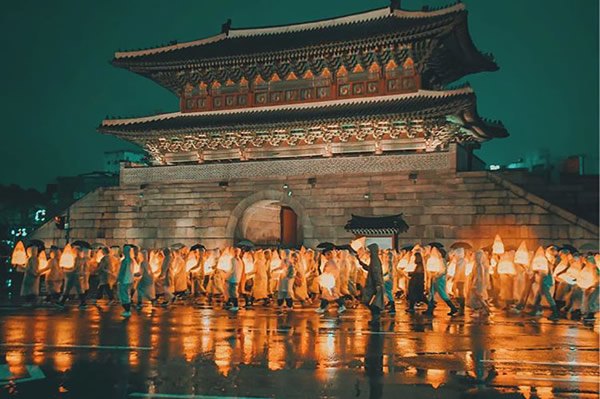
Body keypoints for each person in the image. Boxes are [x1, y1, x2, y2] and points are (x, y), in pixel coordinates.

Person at [424, 247, 458, 317]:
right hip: (435, 278)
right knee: (431, 293)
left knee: (442, 294)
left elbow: (443, 271)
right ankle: (429, 309)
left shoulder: (442, 260)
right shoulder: (439, 260)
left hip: (439, 280)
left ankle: (453, 308)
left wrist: (436, 275)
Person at [315, 249, 346, 314]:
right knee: (326, 295)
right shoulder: (331, 262)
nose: (325, 257)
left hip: (329, 282)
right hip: (329, 281)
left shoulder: (331, 262)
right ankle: (323, 307)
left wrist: (325, 279)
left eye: (326, 255)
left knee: (333, 295)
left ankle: (341, 306)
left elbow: (330, 272)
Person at [360, 243, 385, 322]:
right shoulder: (374, 259)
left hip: (373, 284)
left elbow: (375, 272)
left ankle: (376, 318)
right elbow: (371, 269)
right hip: (373, 283)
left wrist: (378, 284)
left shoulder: (375, 260)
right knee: (372, 301)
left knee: (372, 301)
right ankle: (375, 317)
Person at [117, 244, 135, 317]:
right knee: (127, 295)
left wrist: (119, 278)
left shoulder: (124, 261)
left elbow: (122, 271)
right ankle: (127, 310)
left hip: (124, 280)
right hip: (129, 280)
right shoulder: (131, 260)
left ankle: (127, 310)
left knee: (123, 295)